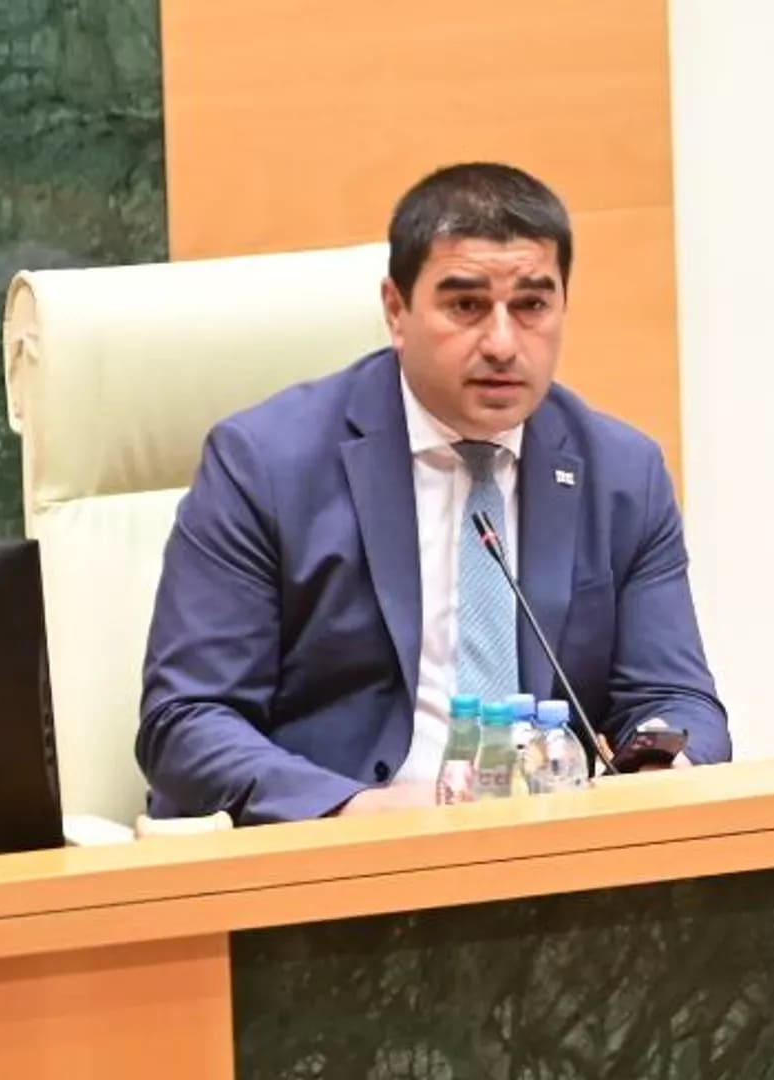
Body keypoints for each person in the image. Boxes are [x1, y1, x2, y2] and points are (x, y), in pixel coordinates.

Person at [137, 162, 730, 824]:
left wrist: (662, 771)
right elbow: (187, 722)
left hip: (558, 850)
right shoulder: (264, 465)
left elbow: (677, 701)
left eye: (532, 306)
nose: (502, 344)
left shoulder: (622, 473)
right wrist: (356, 808)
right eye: (466, 306)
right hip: (346, 851)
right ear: (397, 310)